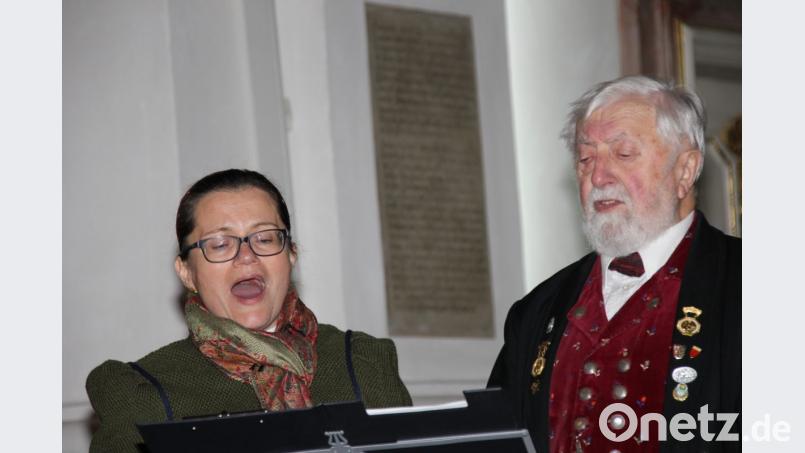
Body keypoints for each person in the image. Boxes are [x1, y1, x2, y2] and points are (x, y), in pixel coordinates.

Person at [488, 76, 740, 452]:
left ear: (685, 171)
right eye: (586, 158)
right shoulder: (535, 312)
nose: (598, 176)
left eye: (623, 154)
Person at [87, 169, 412, 452]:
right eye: (219, 244)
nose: (246, 256)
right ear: (187, 272)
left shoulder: (363, 363)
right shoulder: (141, 393)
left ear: (291, 255)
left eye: (266, 238)